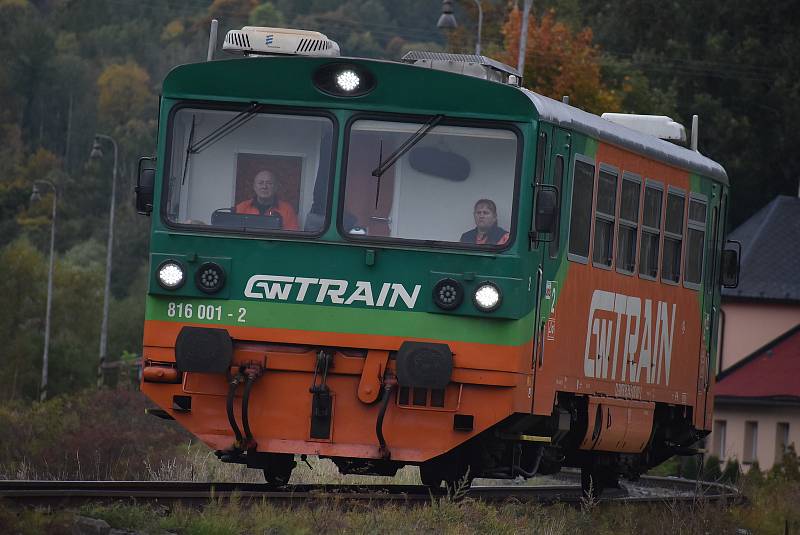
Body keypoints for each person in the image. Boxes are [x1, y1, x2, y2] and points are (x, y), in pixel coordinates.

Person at [234, 169, 299, 230]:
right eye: (260, 183)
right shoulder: (242, 207)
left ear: (276, 187)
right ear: (254, 187)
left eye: (269, 183)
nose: (264, 187)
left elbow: (291, 237)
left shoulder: (287, 210)